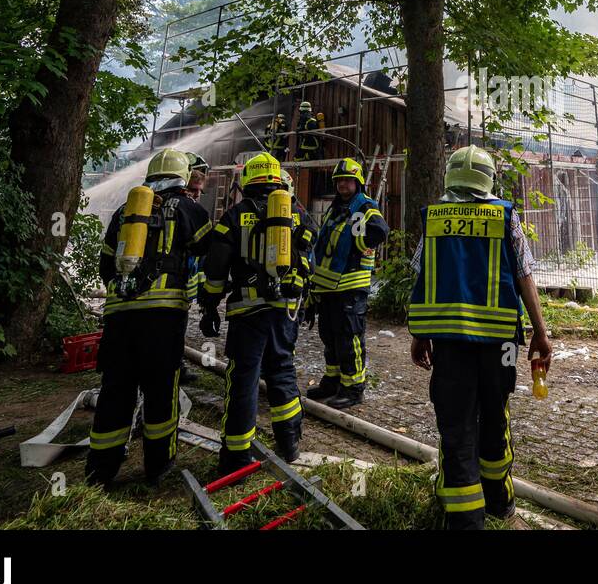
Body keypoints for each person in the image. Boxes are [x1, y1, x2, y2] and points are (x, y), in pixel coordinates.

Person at [408, 146, 552, 529]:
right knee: (495, 418)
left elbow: (422, 275)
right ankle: (500, 505)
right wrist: (540, 333)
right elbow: (524, 274)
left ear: (450, 177)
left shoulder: (435, 217)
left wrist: (420, 334)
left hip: (450, 343)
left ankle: (464, 519)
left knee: (456, 428)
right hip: (500, 345)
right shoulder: (505, 215)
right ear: (488, 180)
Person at [87, 149, 210, 488]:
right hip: (162, 318)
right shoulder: (188, 208)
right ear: (182, 177)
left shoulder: (124, 212)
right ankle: (158, 466)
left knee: (115, 390)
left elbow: (106, 265)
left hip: (119, 318)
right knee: (161, 390)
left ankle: (101, 470)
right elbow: (210, 251)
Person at [198, 152, 317, 475]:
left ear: (247, 181)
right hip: (284, 311)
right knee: (282, 370)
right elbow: (309, 257)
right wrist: (308, 300)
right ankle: (289, 444)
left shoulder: (234, 216)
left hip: (247, 311)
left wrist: (209, 305)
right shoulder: (297, 214)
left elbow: (216, 269)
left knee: (244, 378)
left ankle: (236, 456)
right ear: (279, 180)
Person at [304, 158, 388, 408]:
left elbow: (380, 230)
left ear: (357, 182)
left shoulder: (363, 206)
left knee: (349, 339)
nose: (342, 184)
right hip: (329, 286)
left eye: (347, 180)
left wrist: (358, 246)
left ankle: (353, 388)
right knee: (329, 337)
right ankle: (333, 381)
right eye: (339, 180)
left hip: (350, 287)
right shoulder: (336, 207)